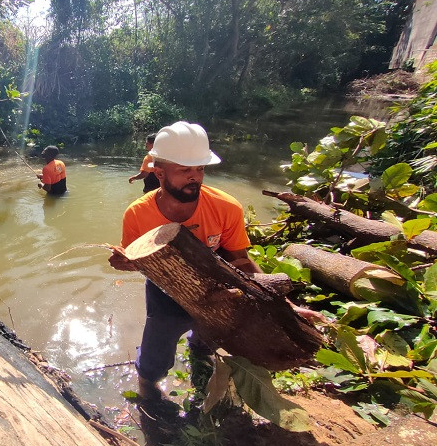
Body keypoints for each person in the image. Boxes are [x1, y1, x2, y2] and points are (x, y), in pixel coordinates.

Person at [108, 121, 322, 402]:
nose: (195, 177)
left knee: (210, 332)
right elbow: (136, 259)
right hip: (167, 283)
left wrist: (285, 306)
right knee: (160, 338)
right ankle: (148, 388)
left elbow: (241, 262)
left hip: (216, 276)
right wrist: (127, 262)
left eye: (200, 169)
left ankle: (201, 357)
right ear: (159, 173)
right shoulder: (137, 214)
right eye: (185, 170)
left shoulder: (226, 207)